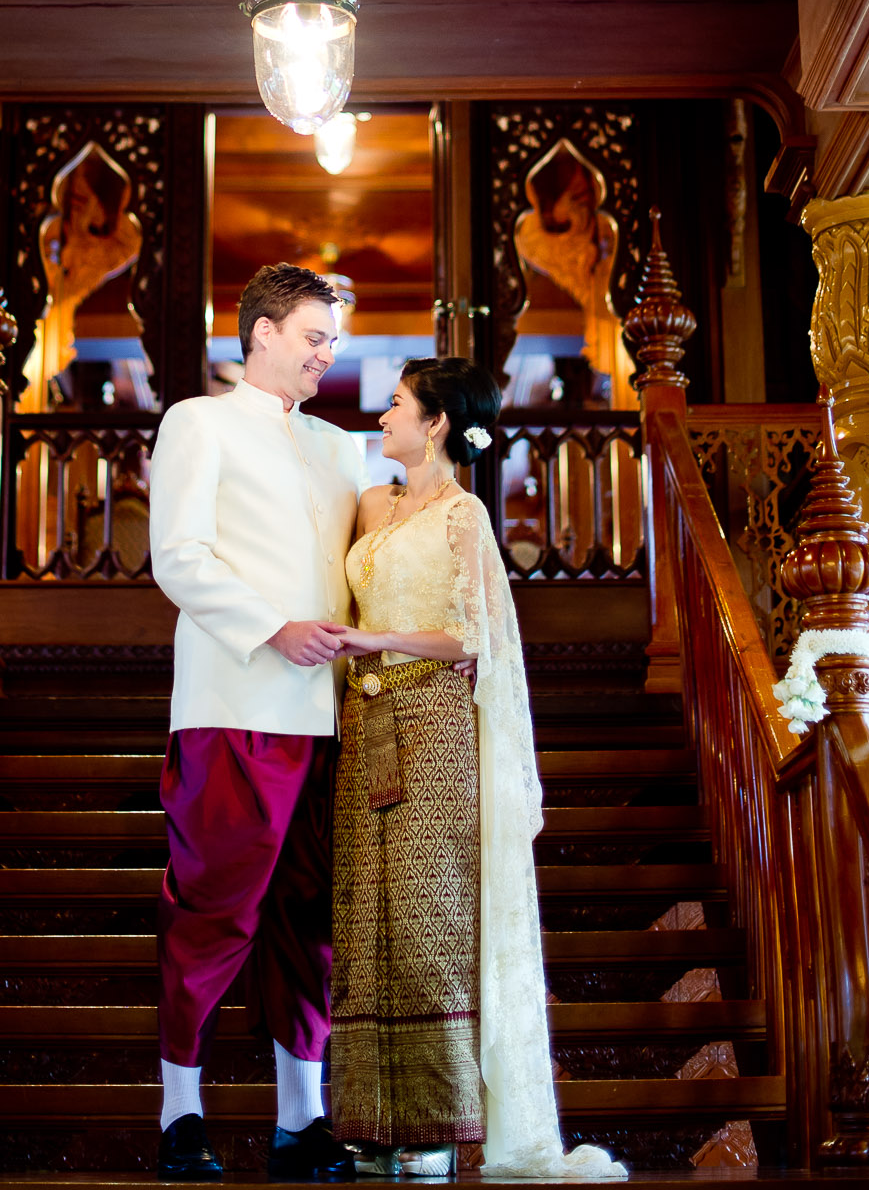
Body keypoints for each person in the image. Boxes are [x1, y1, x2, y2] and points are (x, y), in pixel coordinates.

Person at [330, 357, 627, 1182]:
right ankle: (367, 1122)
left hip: (434, 723)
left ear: (434, 423)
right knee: (364, 918)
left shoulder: (463, 515)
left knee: (430, 919)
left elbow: (476, 637)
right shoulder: (370, 504)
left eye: (396, 404)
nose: (381, 416)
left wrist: (374, 639)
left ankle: (436, 1127)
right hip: (365, 720)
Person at [149, 263, 366, 1183]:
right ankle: (180, 1112)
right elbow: (178, 556)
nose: (326, 355)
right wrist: (273, 627)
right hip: (231, 704)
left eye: (333, 342)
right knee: (212, 908)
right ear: (262, 333)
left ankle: (300, 1119)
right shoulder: (197, 422)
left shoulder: (342, 448)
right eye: (314, 337)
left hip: (331, 716)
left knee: (308, 919)